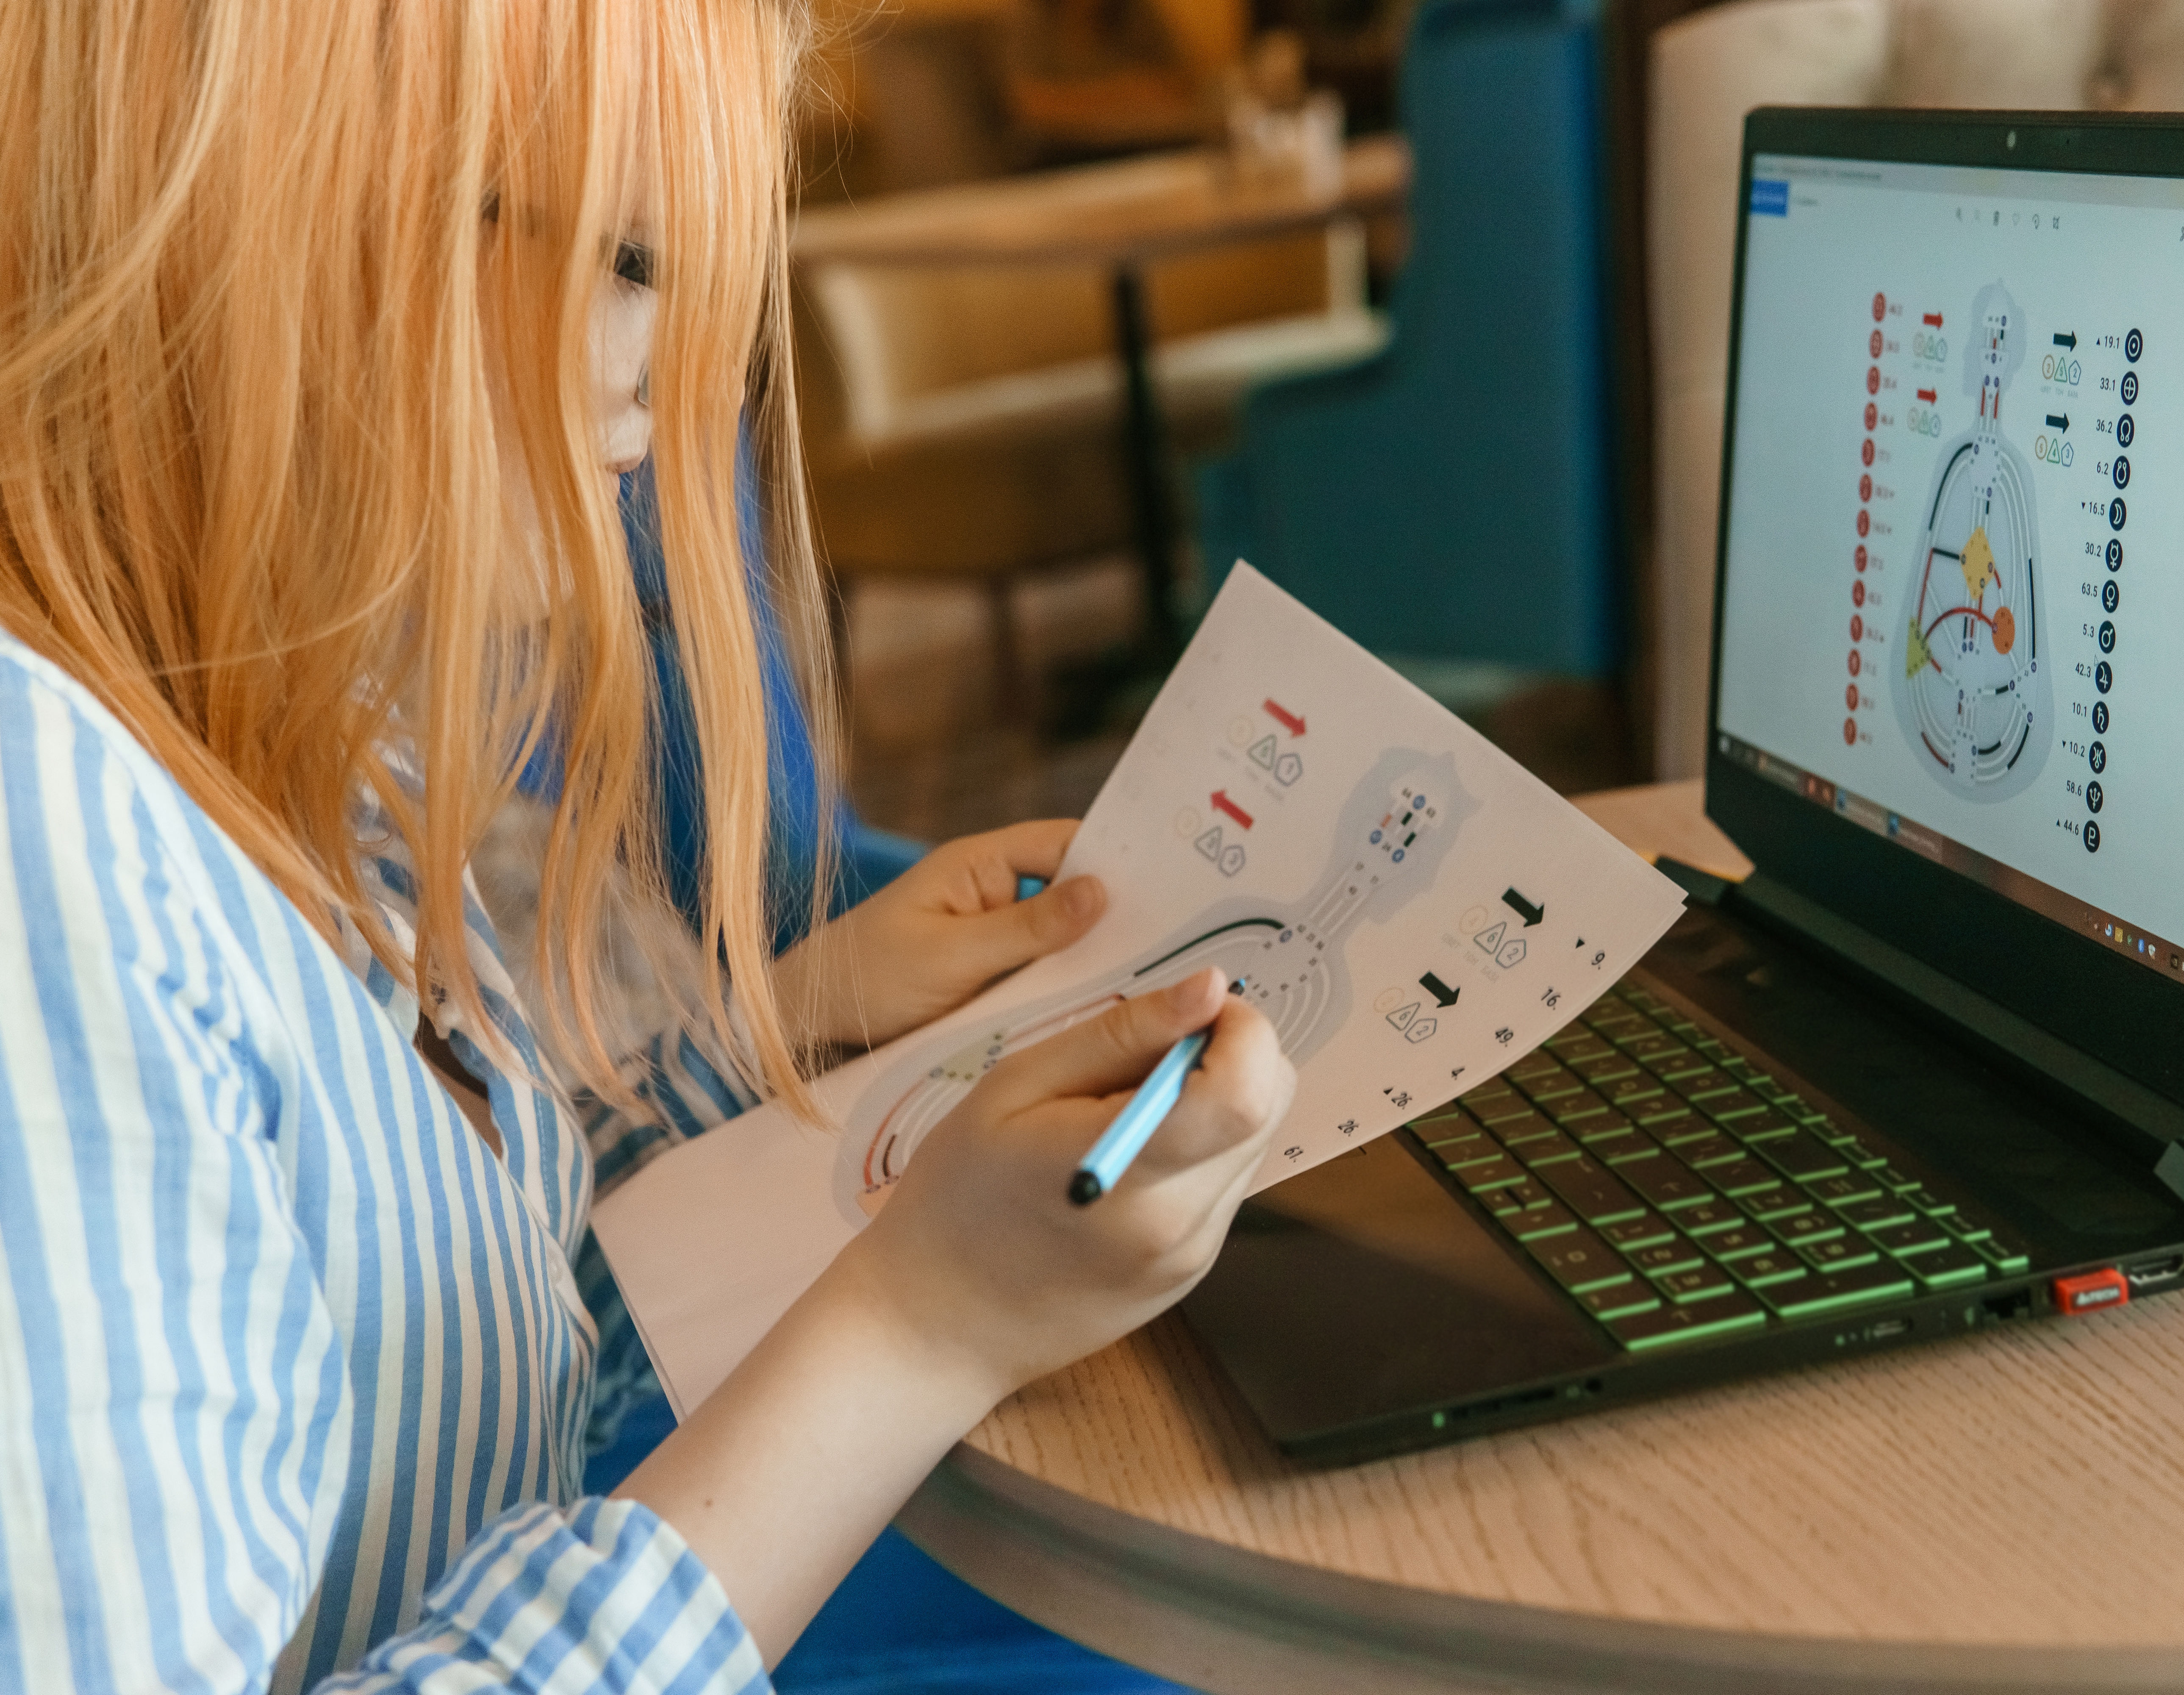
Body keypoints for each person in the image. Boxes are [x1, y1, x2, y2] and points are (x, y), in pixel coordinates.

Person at [0, 3, 1296, 1691]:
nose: (666, 367)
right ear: (293, 229)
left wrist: (810, 1019)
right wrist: (922, 1326)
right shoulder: (48, 849)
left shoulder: (295, 746)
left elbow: (443, 1354)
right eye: (622, 253)